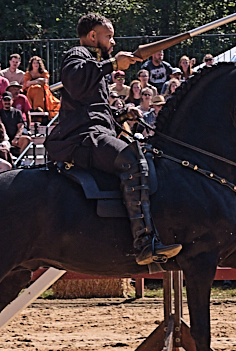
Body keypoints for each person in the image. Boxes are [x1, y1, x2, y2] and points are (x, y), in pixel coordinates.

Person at [47, 13, 180, 265]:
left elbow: (90, 106)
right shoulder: (78, 54)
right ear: (92, 36)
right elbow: (75, 83)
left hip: (95, 132)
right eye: (108, 36)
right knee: (132, 158)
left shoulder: (95, 62)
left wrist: (119, 114)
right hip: (82, 137)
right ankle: (144, 241)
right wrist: (112, 65)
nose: (113, 42)